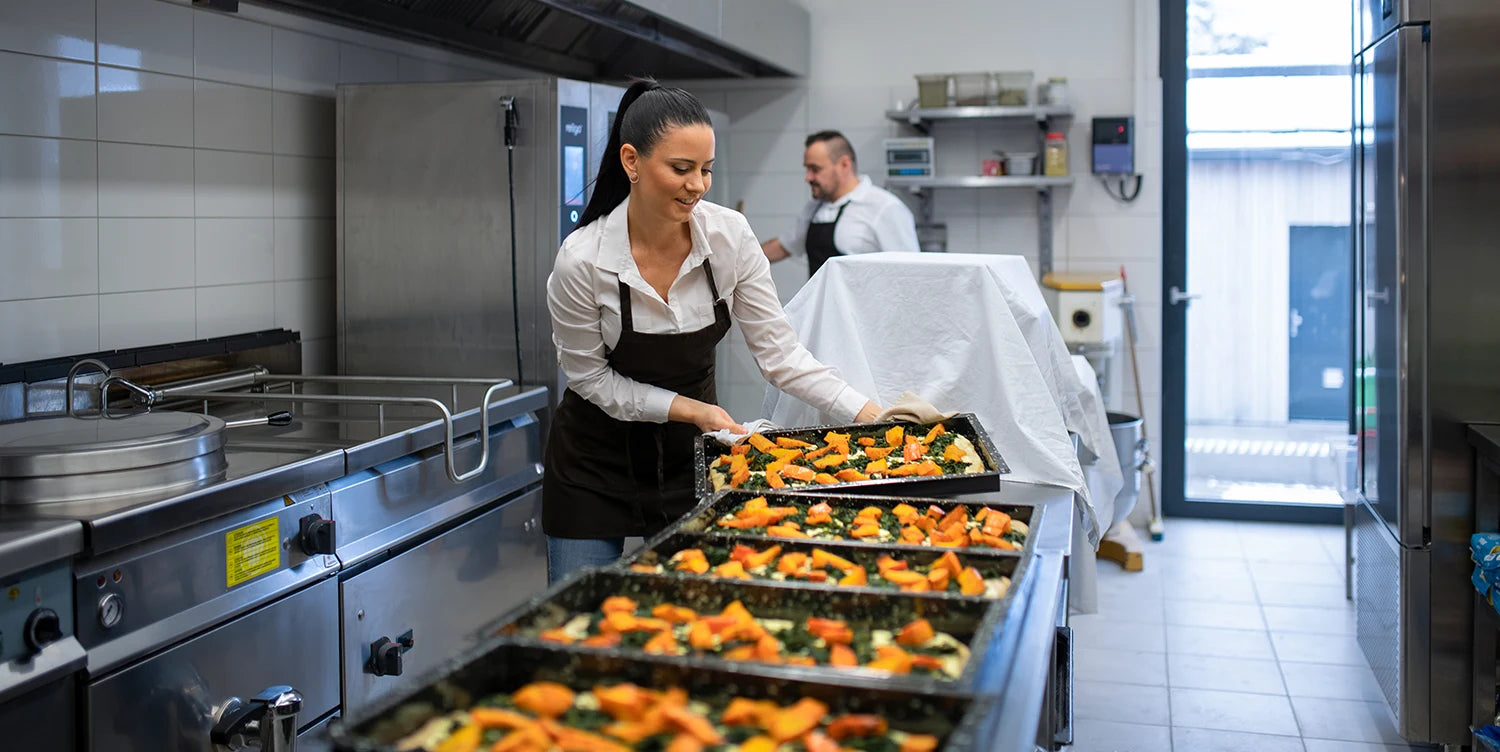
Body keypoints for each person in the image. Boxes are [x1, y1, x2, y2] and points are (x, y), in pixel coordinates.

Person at [543, 80, 882, 584]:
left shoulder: (728, 238)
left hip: (694, 462)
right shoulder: (583, 261)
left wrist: (872, 413)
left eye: (706, 170)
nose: (698, 185)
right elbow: (589, 380)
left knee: (686, 620)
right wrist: (692, 410)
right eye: (681, 169)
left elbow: (781, 356)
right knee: (579, 632)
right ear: (631, 162)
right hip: (592, 467)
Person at [760, 130, 921, 275]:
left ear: (844, 164)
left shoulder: (885, 208)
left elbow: (910, 273)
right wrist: (739, 260)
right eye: (807, 169)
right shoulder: (814, 208)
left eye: (815, 169)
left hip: (862, 308)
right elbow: (783, 247)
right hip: (821, 308)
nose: (807, 177)